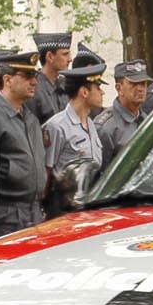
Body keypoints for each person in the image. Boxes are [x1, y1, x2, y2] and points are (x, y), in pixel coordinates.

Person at [0, 50, 45, 235]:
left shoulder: (29, 117)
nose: (34, 82)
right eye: (27, 76)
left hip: (33, 212)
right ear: (7, 80)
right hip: (6, 216)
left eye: (35, 76)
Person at [43, 60, 106, 217]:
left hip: (89, 207)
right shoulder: (57, 126)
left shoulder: (91, 124)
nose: (102, 93)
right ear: (84, 92)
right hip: (64, 210)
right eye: (98, 88)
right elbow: (46, 172)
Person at [95, 59, 152, 167]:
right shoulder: (106, 128)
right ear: (119, 88)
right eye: (134, 84)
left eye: (143, 83)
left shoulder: (146, 120)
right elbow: (100, 174)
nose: (140, 89)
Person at [30, 31, 72, 124]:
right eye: (65, 54)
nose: (70, 59)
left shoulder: (66, 85)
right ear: (50, 57)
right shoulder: (33, 89)